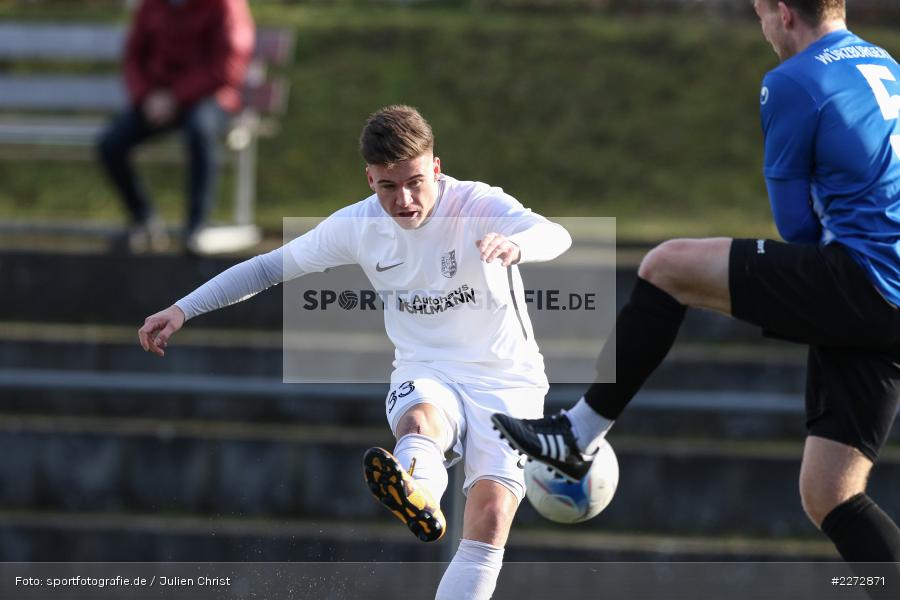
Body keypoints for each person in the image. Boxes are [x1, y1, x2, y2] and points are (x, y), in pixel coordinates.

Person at [493, 0, 900, 574]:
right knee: (830, 494)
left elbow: (795, 226)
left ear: (784, 12)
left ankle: (576, 433)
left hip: (863, 280)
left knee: (667, 267)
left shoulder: (794, 80)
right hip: (888, 292)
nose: (761, 28)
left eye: (759, 13)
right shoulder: (883, 61)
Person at [138, 105, 572, 599]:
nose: (404, 200)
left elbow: (555, 233)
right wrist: (182, 309)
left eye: (414, 182)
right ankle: (419, 493)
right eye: (388, 187)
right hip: (427, 368)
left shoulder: (477, 203)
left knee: (490, 518)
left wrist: (517, 246)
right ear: (370, 179)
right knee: (420, 421)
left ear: (435, 167)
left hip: (507, 378)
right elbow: (267, 268)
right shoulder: (357, 226)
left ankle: (419, 491)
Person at [97, 0, 255, 253]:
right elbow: (133, 57)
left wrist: (176, 97)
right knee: (111, 144)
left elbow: (227, 67)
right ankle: (144, 219)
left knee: (199, 132)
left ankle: (196, 227)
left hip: (211, 97)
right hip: (157, 100)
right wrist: (146, 97)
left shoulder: (224, 5)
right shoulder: (152, 5)